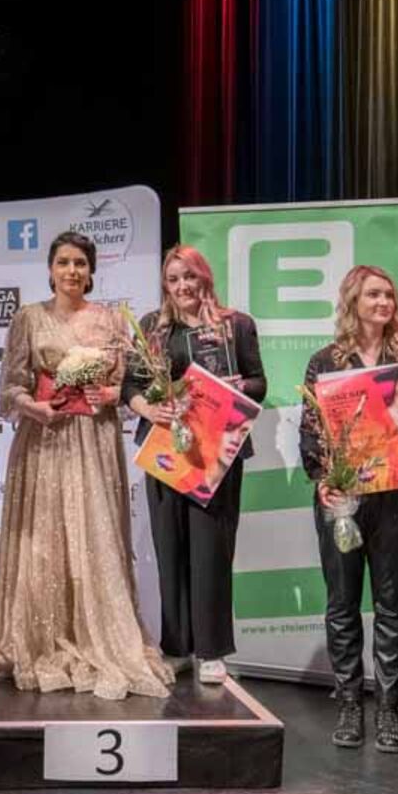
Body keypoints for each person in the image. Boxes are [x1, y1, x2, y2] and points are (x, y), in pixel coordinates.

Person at [0, 232, 172, 701]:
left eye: (80, 264)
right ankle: (42, 639)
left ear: (91, 272)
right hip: (44, 440)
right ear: (50, 270)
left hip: (94, 440)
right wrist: (34, 408)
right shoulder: (29, 318)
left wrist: (110, 394)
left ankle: (104, 638)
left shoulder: (112, 320)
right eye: (64, 262)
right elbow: (11, 387)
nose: (72, 271)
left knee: (95, 535)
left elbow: (129, 388)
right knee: (45, 540)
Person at [297, 264, 398, 752]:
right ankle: (350, 703)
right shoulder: (325, 362)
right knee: (342, 602)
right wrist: (322, 481)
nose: (383, 302)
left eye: (389, 295)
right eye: (373, 294)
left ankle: (388, 710)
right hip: (344, 498)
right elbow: (310, 431)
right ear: (353, 301)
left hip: (396, 496)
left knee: (393, 603)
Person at [124, 245, 265, 686]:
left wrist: (237, 385)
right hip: (165, 449)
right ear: (165, 285)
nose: (182, 286)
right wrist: (149, 409)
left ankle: (211, 650)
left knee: (211, 552)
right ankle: (176, 647)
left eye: (190, 276)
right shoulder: (152, 327)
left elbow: (259, 382)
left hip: (218, 451)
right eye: (173, 279)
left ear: (205, 277)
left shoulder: (236, 325)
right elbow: (130, 385)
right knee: (170, 549)